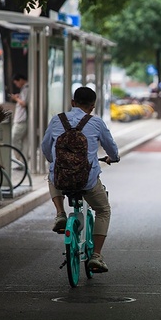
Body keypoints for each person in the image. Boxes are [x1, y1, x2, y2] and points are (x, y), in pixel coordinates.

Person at [41, 87, 120, 273]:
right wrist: (113, 158)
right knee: (103, 210)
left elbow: (46, 148)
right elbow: (112, 149)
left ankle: (60, 213)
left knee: (52, 174)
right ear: (92, 106)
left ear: (72, 102)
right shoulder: (96, 122)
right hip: (87, 181)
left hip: (61, 180)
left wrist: (56, 163)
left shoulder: (56, 120)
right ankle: (97, 256)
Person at [11, 73, 28, 156]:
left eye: (16, 83)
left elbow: (24, 103)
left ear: (20, 80)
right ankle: (22, 160)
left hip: (21, 119)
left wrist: (16, 98)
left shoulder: (26, 88)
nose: (16, 85)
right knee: (24, 141)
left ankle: (18, 158)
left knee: (14, 138)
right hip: (23, 119)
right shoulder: (25, 89)